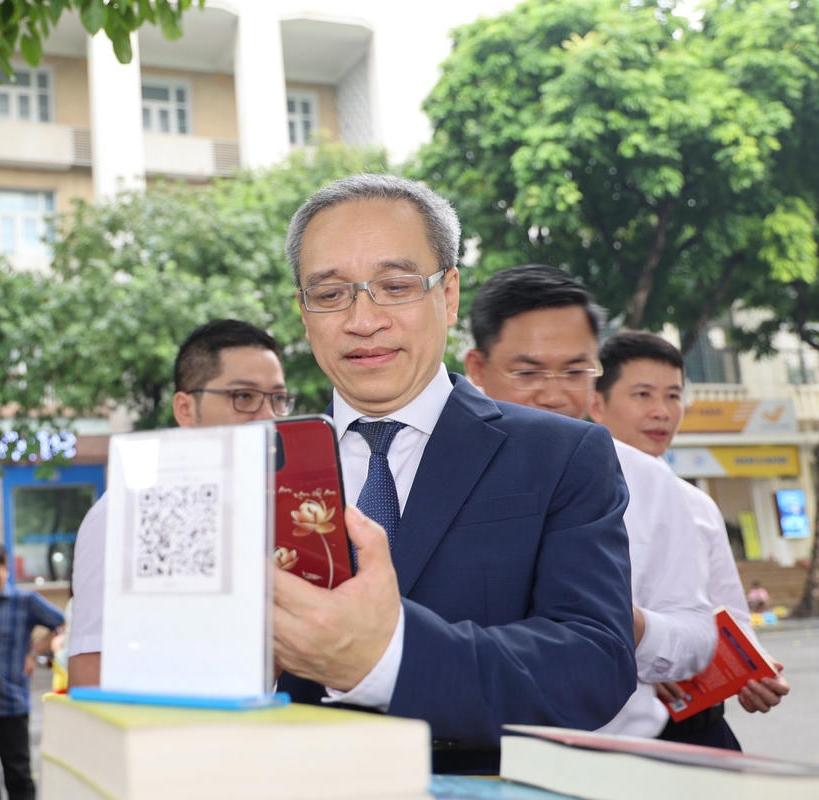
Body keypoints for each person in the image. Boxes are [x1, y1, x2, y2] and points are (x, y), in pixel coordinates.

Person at [273, 175, 636, 774]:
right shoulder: (256, 468)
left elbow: (594, 662)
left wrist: (385, 657)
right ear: (304, 312)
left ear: (448, 295)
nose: (363, 320)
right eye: (331, 293)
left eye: (394, 286)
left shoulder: (561, 455)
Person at [463, 265, 718, 743]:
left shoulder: (646, 479)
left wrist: (626, 623)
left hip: (614, 763)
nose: (556, 394)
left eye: (576, 370)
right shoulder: (437, 470)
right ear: (477, 368)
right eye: (528, 372)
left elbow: (697, 636)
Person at [67, 319, 295, 687]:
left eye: (279, 399)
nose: (269, 416)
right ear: (185, 409)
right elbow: (92, 676)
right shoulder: (126, 514)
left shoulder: (285, 508)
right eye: (244, 397)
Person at [591, 329, 789, 735]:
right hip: (612, 730)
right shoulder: (569, 497)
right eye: (643, 395)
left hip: (698, 725)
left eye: (674, 395)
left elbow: (731, 617)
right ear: (597, 402)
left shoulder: (697, 504)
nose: (662, 411)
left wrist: (755, 670)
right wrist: (650, 652)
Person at [0, 541, 65, 800]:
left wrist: (36, 652)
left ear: (6, 569)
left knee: (18, 776)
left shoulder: (24, 601)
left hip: (11, 705)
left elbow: (62, 622)